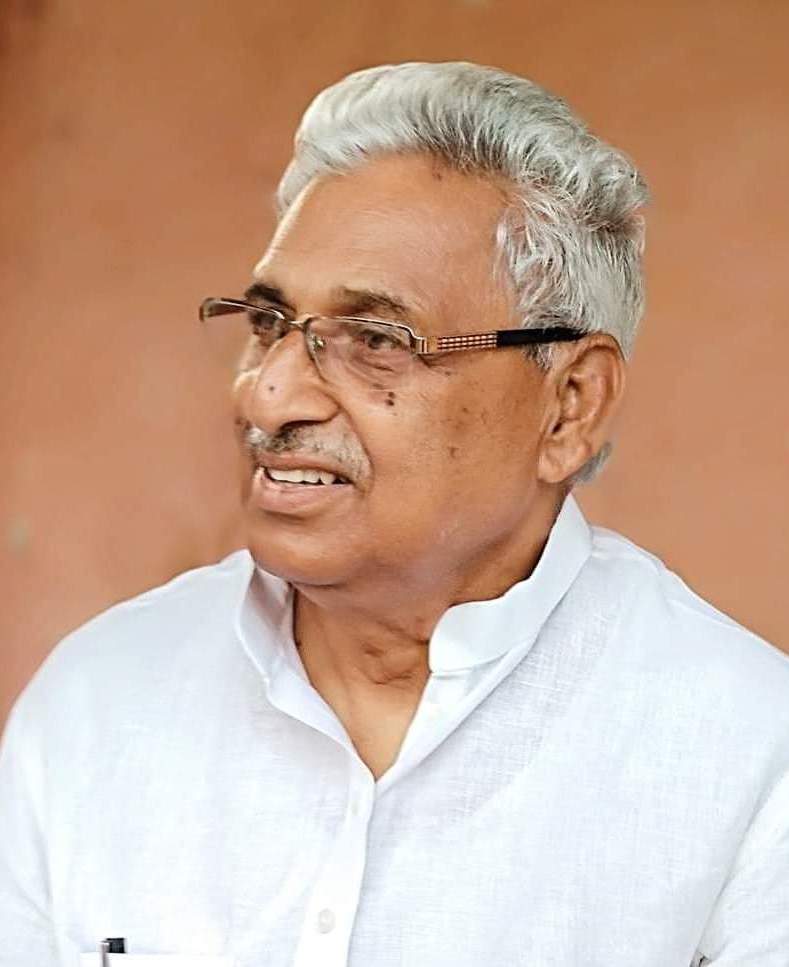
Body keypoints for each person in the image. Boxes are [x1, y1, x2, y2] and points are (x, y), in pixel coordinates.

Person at [1, 61, 787, 967]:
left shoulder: (744, 757)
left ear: (569, 405)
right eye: (267, 324)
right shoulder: (99, 702)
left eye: (376, 340)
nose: (267, 395)